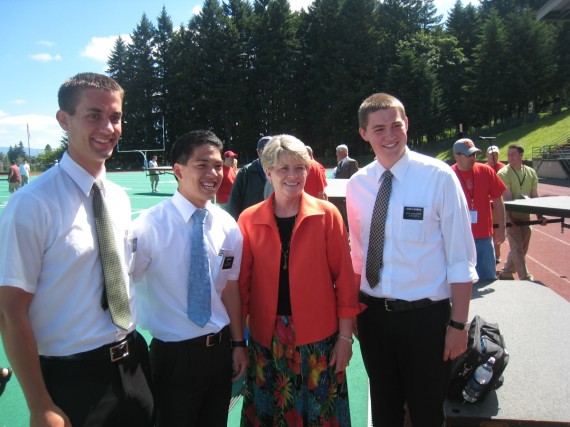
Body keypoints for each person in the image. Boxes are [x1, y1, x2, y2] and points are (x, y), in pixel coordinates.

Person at [0, 72, 154, 426]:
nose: (108, 127)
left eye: (115, 117)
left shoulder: (116, 197)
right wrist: (40, 405)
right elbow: (9, 313)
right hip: (73, 377)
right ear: (64, 120)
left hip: (133, 362)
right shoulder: (31, 204)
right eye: (94, 115)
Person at [346, 93, 477, 426]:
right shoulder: (358, 184)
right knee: (384, 410)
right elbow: (358, 256)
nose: (389, 135)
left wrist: (458, 324)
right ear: (363, 133)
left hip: (426, 321)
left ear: (407, 126)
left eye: (396, 126)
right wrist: (355, 313)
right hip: (373, 318)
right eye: (379, 129)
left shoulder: (438, 177)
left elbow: (460, 258)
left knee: (426, 412)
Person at [238, 135, 359, 426]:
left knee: (320, 413)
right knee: (271, 412)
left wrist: (345, 338)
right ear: (268, 172)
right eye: (283, 169)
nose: (293, 176)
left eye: (299, 168)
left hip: (320, 339)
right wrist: (237, 342)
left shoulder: (327, 215)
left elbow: (344, 281)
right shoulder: (249, 219)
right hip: (266, 339)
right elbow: (241, 287)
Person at [133, 130, 247, 427]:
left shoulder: (227, 225)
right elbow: (122, 285)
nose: (213, 174)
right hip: (174, 357)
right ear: (178, 170)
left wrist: (238, 343)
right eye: (202, 165)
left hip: (220, 352)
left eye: (218, 166)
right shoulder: (148, 226)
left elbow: (230, 288)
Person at [452, 138, 507, 281]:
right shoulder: (448, 175)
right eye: (468, 155)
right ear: (456, 156)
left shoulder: (486, 171)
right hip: (457, 239)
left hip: (483, 237)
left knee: (488, 279)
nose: (473, 158)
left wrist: (502, 227)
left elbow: (498, 200)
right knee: (459, 282)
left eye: (474, 154)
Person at [497, 144, 544, 281]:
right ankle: (525, 276)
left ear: (521, 155)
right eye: (508, 154)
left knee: (522, 246)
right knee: (516, 246)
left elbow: (534, 196)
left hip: (526, 216)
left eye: (513, 154)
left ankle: (506, 272)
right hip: (511, 216)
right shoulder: (503, 173)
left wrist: (540, 216)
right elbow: (507, 199)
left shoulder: (530, 172)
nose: (510, 157)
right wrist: (509, 219)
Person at [228, 136, 271, 220]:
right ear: (259, 152)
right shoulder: (245, 172)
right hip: (250, 222)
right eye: (266, 150)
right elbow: (234, 200)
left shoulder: (280, 171)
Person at [486, 145, 507, 263]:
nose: (494, 156)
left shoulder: (503, 169)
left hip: (498, 203)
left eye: (496, 154)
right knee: (489, 230)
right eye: (491, 154)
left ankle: (497, 254)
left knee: (498, 229)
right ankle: (491, 253)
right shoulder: (484, 168)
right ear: (487, 155)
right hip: (487, 205)